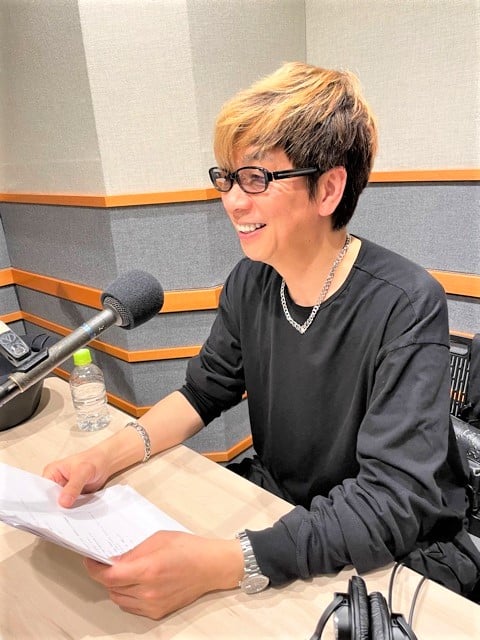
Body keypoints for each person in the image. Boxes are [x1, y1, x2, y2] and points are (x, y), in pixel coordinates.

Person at [43, 61, 480, 619]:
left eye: (256, 178)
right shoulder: (251, 281)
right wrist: (104, 457)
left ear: (328, 188)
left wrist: (224, 563)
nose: (232, 200)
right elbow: (202, 393)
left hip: (391, 549)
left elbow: (390, 501)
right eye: (227, 177)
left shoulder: (407, 303)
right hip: (287, 510)